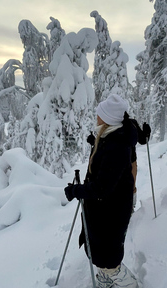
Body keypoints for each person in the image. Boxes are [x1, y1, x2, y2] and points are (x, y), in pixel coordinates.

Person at [65, 94, 139, 288]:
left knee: (109, 259)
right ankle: (106, 280)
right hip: (104, 210)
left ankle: (129, 284)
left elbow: (102, 188)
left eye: (99, 114)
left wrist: (76, 191)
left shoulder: (116, 145)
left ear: (107, 118)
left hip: (110, 212)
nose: (96, 117)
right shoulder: (110, 136)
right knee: (101, 251)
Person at [88, 116, 151, 211]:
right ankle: (122, 210)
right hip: (118, 162)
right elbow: (105, 142)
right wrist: (94, 141)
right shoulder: (109, 123)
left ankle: (130, 208)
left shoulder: (130, 123)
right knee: (120, 187)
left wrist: (146, 134)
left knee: (129, 187)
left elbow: (142, 139)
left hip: (128, 162)